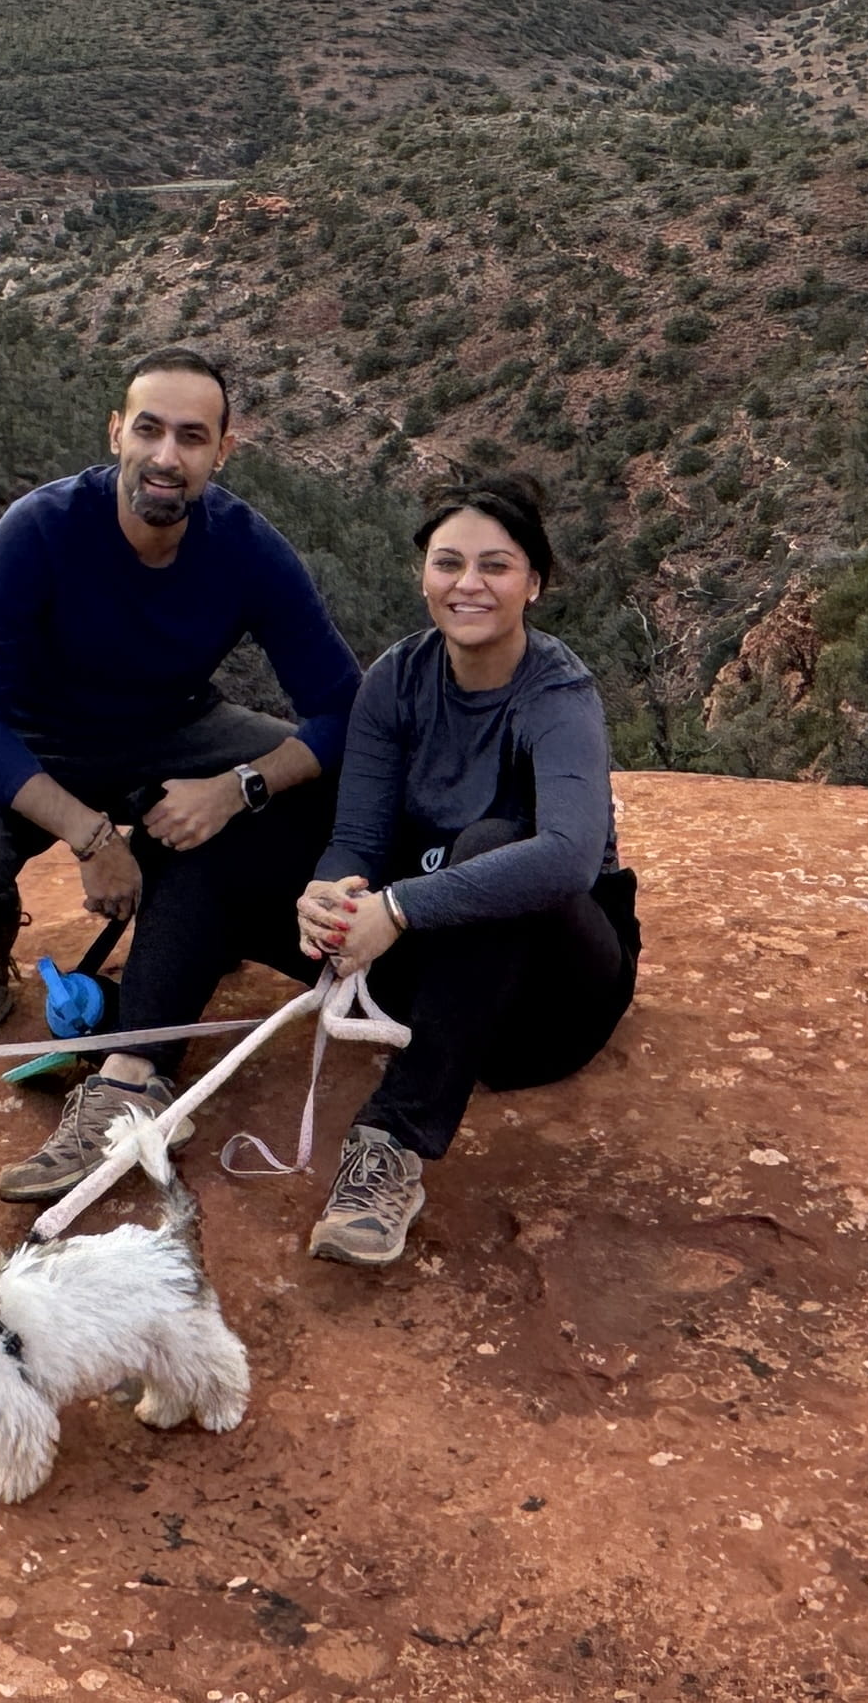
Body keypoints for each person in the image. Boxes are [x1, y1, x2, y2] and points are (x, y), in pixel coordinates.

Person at [0, 348, 362, 1201]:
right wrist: (91, 836)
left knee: (324, 784)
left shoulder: (247, 549)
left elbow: (344, 711)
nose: (166, 455)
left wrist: (238, 788)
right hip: (35, 740)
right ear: (116, 432)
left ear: (223, 452)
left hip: (177, 730)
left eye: (192, 437)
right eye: (148, 429)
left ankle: (203, 928)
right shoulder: (39, 531)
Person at [294, 472, 636, 1269]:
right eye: (449, 563)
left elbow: (569, 857)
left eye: (496, 566)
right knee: (264, 833)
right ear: (424, 576)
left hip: (556, 1004)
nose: (469, 585)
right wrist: (333, 892)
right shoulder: (397, 681)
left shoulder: (558, 694)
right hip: (444, 994)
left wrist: (401, 908)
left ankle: (390, 1145)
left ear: (534, 585)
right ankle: (130, 1071)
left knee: (496, 843)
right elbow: (357, 834)